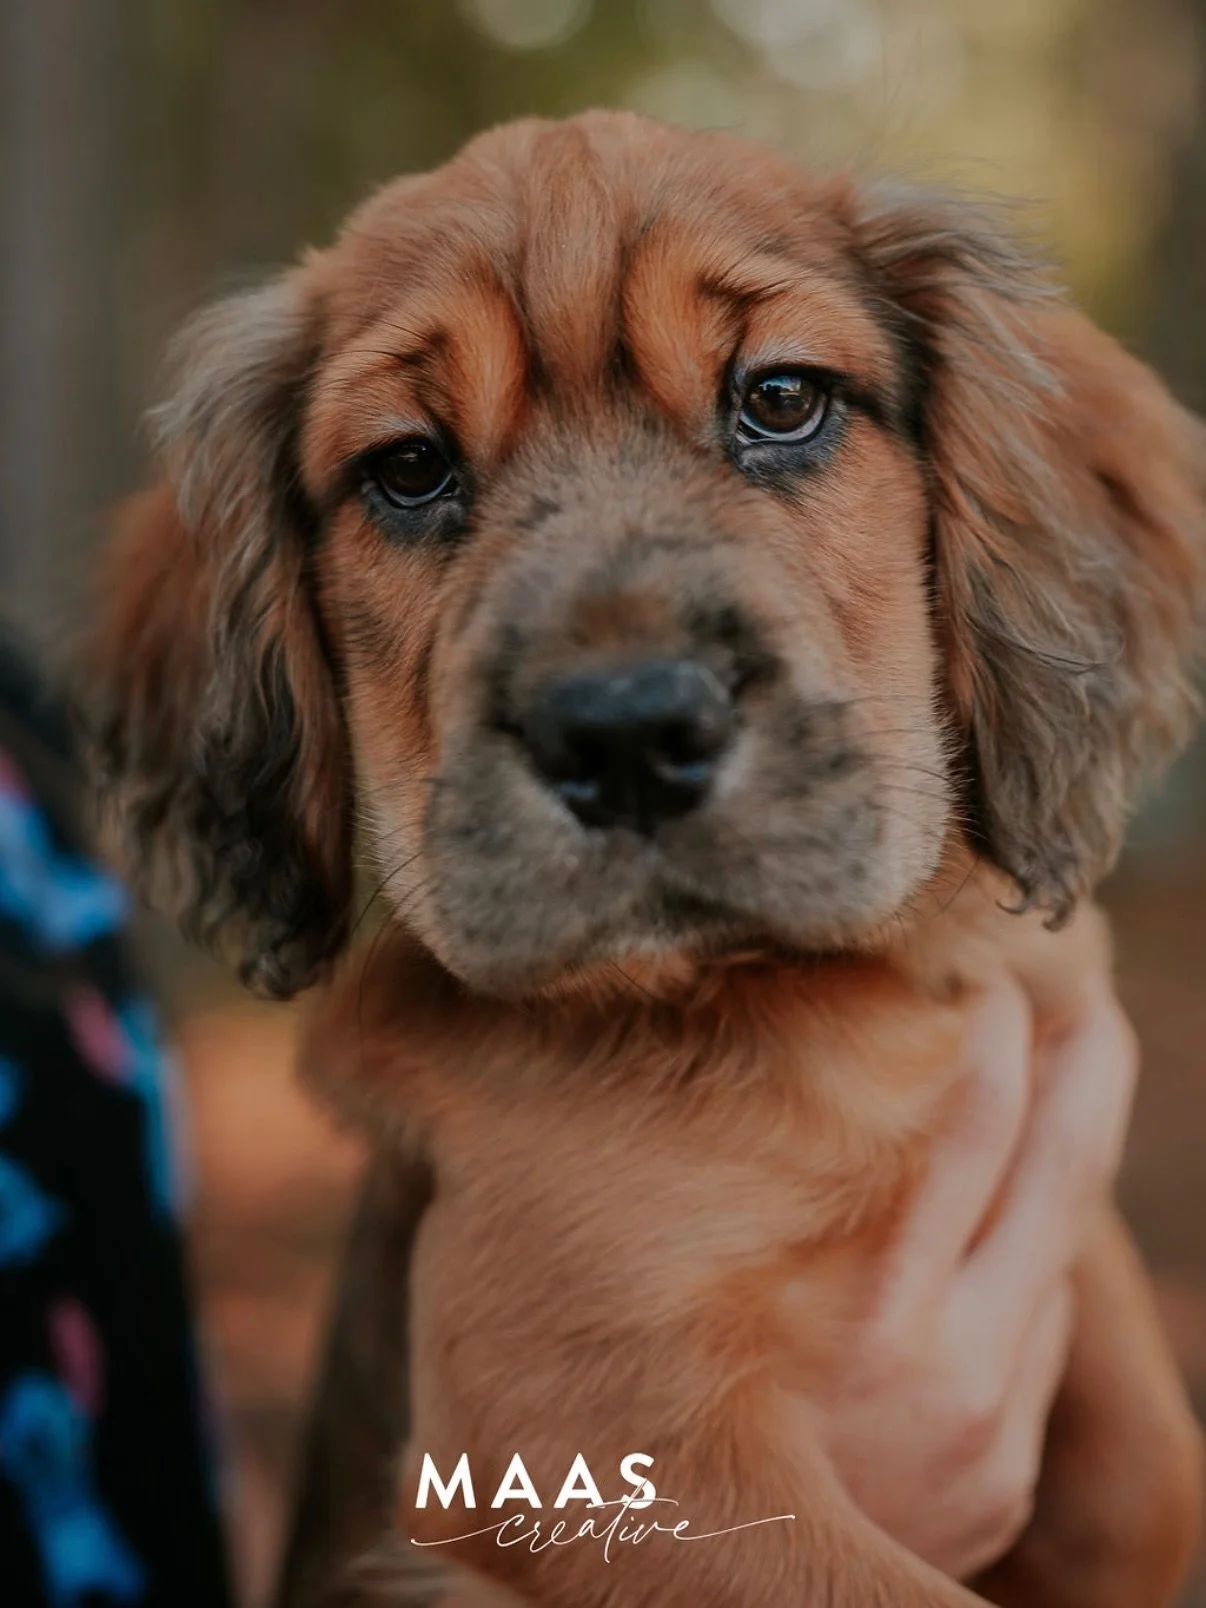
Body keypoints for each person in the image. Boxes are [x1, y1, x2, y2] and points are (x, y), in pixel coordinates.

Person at [0, 626, 1138, 1601]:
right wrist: (731, 1528)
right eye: (413, 471)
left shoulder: (25, 748)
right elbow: (509, 1502)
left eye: (781, 403)